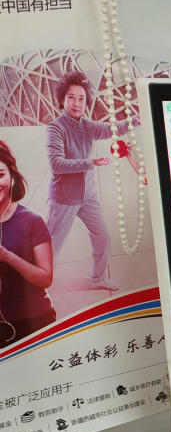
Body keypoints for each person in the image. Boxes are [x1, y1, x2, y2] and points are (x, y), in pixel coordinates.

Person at [46, 71, 134, 291]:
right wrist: (90, 162)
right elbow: (56, 163)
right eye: (71, 97)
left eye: (81, 98)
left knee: (103, 235)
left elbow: (113, 129)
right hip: (64, 198)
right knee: (50, 245)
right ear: (62, 99)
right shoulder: (55, 128)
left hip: (88, 197)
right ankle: (36, 284)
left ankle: (98, 279)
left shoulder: (88, 125)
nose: (77, 103)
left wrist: (136, 120)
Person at [0, 141, 56, 349]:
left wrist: (7, 256)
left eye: (0, 175)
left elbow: (45, 278)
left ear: (12, 177)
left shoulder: (31, 220)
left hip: (34, 324)